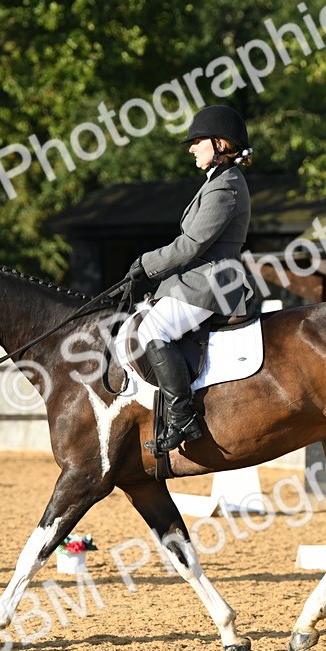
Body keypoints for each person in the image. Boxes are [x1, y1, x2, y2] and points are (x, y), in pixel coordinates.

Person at [124, 104, 256, 456]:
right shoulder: (217, 181)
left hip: (212, 284)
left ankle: (182, 417)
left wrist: (145, 263)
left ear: (220, 143)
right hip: (195, 279)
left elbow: (192, 244)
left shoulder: (225, 187)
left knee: (153, 330)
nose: (191, 147)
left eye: (198, 141)